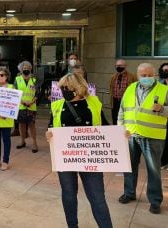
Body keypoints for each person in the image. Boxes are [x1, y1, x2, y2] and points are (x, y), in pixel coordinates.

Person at [46, 73, 113, 228]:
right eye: (62, 88)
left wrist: (121, 135)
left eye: (67, 88)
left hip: (90, 158)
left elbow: (105, 125)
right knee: (69, 195)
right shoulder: (57, 106)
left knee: (97, 197)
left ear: (78, 88)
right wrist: (49, 134)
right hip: (66, 157)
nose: (63, 91)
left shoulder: (94, 103)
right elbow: (51, 126)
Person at [118, 63, 168, 214]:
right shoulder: (130, 88)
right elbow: (122, 111)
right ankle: (129, 193)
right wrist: (120, 130)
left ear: (154, 75)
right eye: (143, 75)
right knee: (130, 167)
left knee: (153, 171)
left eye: (150, 75)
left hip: (153, 137)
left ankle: (155, 200)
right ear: (138, 75)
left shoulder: (163, 90)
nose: (147, 78)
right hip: (131, 135)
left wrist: (163, 109)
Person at [15, 61, 39, 153]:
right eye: (24, 68)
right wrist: (23, 101)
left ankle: (34, 143)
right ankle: (22, 141)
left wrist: (31, 102)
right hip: (21, 105)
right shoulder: (17, 79)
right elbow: (15, 92)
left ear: (30, 69)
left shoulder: (34, 79)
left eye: (28, 68)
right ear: (21, 69)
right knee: (21, 124)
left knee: (32, 125)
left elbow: (38, 93)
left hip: (31, 106)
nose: (26, 69)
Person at [109, 59, 136, 125]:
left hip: (126, 101)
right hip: (115, 101)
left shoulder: (132, 76)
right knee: (115, 118)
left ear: (125, 66)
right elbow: (111, 88)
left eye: (120, 65)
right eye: (117, 65)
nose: (118, 67)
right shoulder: (113, 77)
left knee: (125, 118)